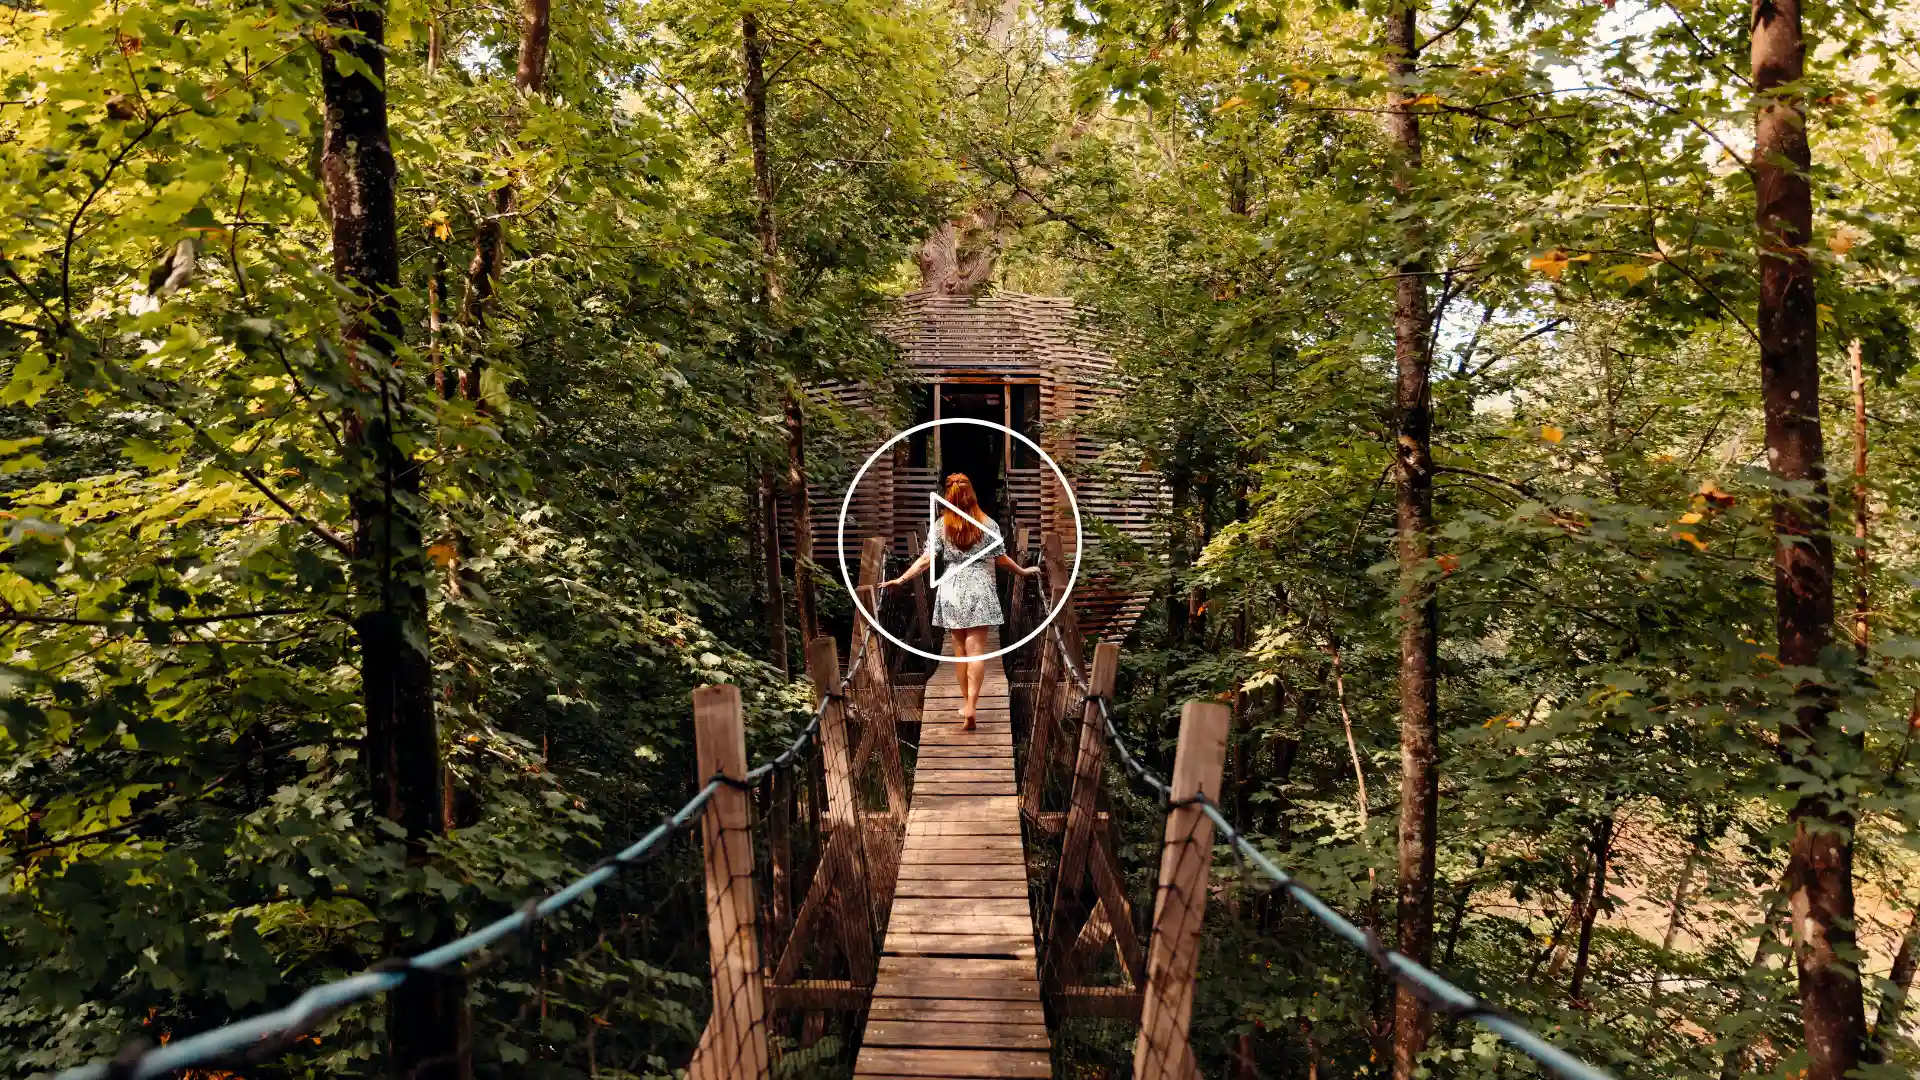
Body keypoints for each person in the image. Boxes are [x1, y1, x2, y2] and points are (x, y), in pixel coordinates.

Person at [883, 473, 1039, 729]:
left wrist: (901, 579)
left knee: (959, 653)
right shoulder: (988, 524)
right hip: (979, 586)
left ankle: (965, 702)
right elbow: (1001, 559)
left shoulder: (940, 525)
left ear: (948, 495)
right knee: (976, 652)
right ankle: (972, 707)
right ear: (972, 494)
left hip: (952, 588)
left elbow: (925, 560)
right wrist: (1023, 572)